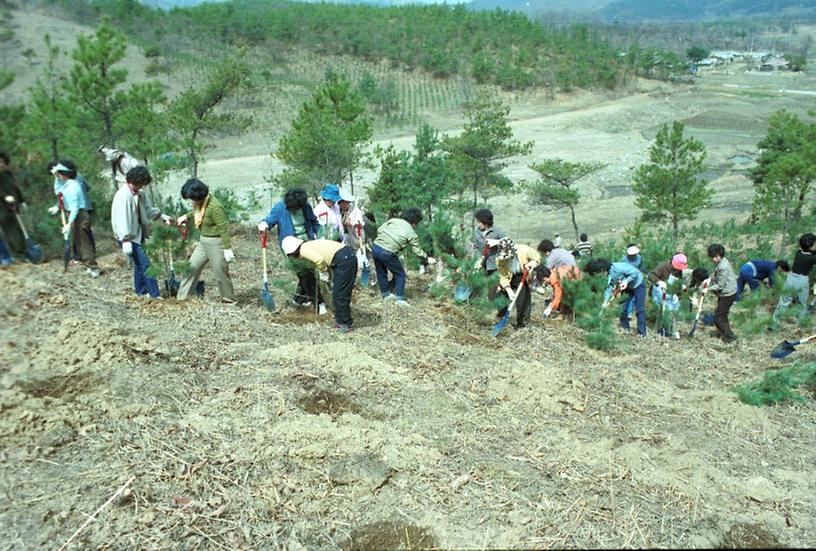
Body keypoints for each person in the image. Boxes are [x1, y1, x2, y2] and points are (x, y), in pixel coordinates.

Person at [258, 188, 326, 313]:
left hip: (308, 243)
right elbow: (269, 220)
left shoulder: (306, 207)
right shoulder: (280, 208)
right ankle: (319, 303)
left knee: (305, 274)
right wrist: (264, 224)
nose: (295, 210)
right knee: (307, 274)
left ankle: (297, 300)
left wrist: (322, 233)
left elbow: (314, 222)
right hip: (291, 246)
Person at [111, 166, 173, 298]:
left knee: (140, 265)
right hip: (128, 237)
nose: (142, 186)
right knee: (146, 265)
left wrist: (162, 216)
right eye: (141, 184)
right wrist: (125, 239)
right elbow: (121, 220)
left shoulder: (140, 194)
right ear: (134, 181)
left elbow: (148, 211)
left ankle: (141, 292)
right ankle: (155, 294)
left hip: (138, 234)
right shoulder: (123, 196)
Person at [175, 179, 236, 303]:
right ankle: (182, 299)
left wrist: (227, 248)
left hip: (216, 243)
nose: (191, 201)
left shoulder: (215, 207)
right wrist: (186, 216)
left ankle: (229, 300)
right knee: (190, 268)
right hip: (203, 242)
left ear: (198, 195)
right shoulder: (199, 204)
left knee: (220, 273)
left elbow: (223, 229)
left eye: (191, 198)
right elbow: (197, 213)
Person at [282, 235, 357, 332]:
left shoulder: (303, 250)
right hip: (343, 257)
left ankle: (346, 324)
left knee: (340, 294)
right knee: (337, 293)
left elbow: (319, 260)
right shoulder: (307, 245)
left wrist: (323, 271)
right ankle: (340, 321)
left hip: (345, 260)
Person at [372, 207, 435, 306]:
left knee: (381, 272)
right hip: (388, 252)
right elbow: (417, 251)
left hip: (376, 247)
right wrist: (426, 258)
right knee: (400, 275)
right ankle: (399, 299)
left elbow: (380, 230)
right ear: (414, 222)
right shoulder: (411, 232)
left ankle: (385, 294)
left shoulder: (393, 221)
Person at [52, 162, 99, 277]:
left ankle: (93, 267)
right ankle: (88, 265)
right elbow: (58, 191)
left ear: (64, 174)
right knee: (79, 242)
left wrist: (68, 224)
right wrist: (55, 177)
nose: (58, 176)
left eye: (59, 174)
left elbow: (75, 207)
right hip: (74, 215)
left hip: (79, 215)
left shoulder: (73, 186)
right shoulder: (67, 184)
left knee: (84, 242)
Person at [494, 238, 539, 328]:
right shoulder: (499, 259)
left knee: (522, 300)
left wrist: (533, 263)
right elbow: (502, 276)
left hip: (522, 275)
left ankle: (522, 324)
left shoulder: (524, 250)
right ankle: (501, 319)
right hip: (509, 277)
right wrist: (508, 289)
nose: (505, 259)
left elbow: (536, 256)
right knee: (500, 297)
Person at [773, 233, 816, 324]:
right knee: (802, 302)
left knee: (784, 300)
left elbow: (810, 252)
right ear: (811, 247)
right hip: (802, 280)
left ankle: (775, 322)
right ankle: (801, 321)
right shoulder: (811, 258)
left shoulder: (798, 253)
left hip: (791, 278)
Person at [599, 259, 648, 337]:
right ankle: (625, 327)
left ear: (603, 269)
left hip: (638, 284)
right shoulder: (609, 274)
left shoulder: (619, 267)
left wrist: (626, 281)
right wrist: (605, 302)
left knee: (639, 309)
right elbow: (609, 288)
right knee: (622, 307)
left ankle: (642, 332)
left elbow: (635, 273)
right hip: (626, 288)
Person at [648, 253, 689, 339]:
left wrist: (680, 292)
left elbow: (678, 283)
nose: (678, 270)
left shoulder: (679, 271)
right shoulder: (663, 266)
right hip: (659, 293)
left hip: (671, 294)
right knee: (660, 312)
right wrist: (658, 282)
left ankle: (673, 332)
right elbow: (651, 275)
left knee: (672, 313)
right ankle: (657, 331)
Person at [703, 243, 737, 343]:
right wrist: (709, 279)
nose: (713, 259)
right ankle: (723, 332)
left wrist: (707, 289)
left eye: (715, 257)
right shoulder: (721, 262)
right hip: (726, 293)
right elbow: (716, 274)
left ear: (719, 255)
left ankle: (730, 338)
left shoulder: (724, 266)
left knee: (718, 318)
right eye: (712, 257)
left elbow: (720, 285)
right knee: (723, 315)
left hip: (728, 294)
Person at [0, 152, 27, 258]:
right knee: (11, 230)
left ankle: (24, 252)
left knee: (19, 229)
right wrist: (5, 197)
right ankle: (18, 254)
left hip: (14, 205)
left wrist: (22, 201)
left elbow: (16, 188)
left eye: (1, 162)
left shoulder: (8, 174)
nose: (0, 164)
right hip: (2, 207)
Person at [472, 208, 506, 275]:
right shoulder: (476, 232)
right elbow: (475, 247)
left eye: (479, 222)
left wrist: (497, 242)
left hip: (495, 266)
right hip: (481, 267)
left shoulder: (497, 232)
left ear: (485, 221)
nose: (478, 224)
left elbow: (507, 244)